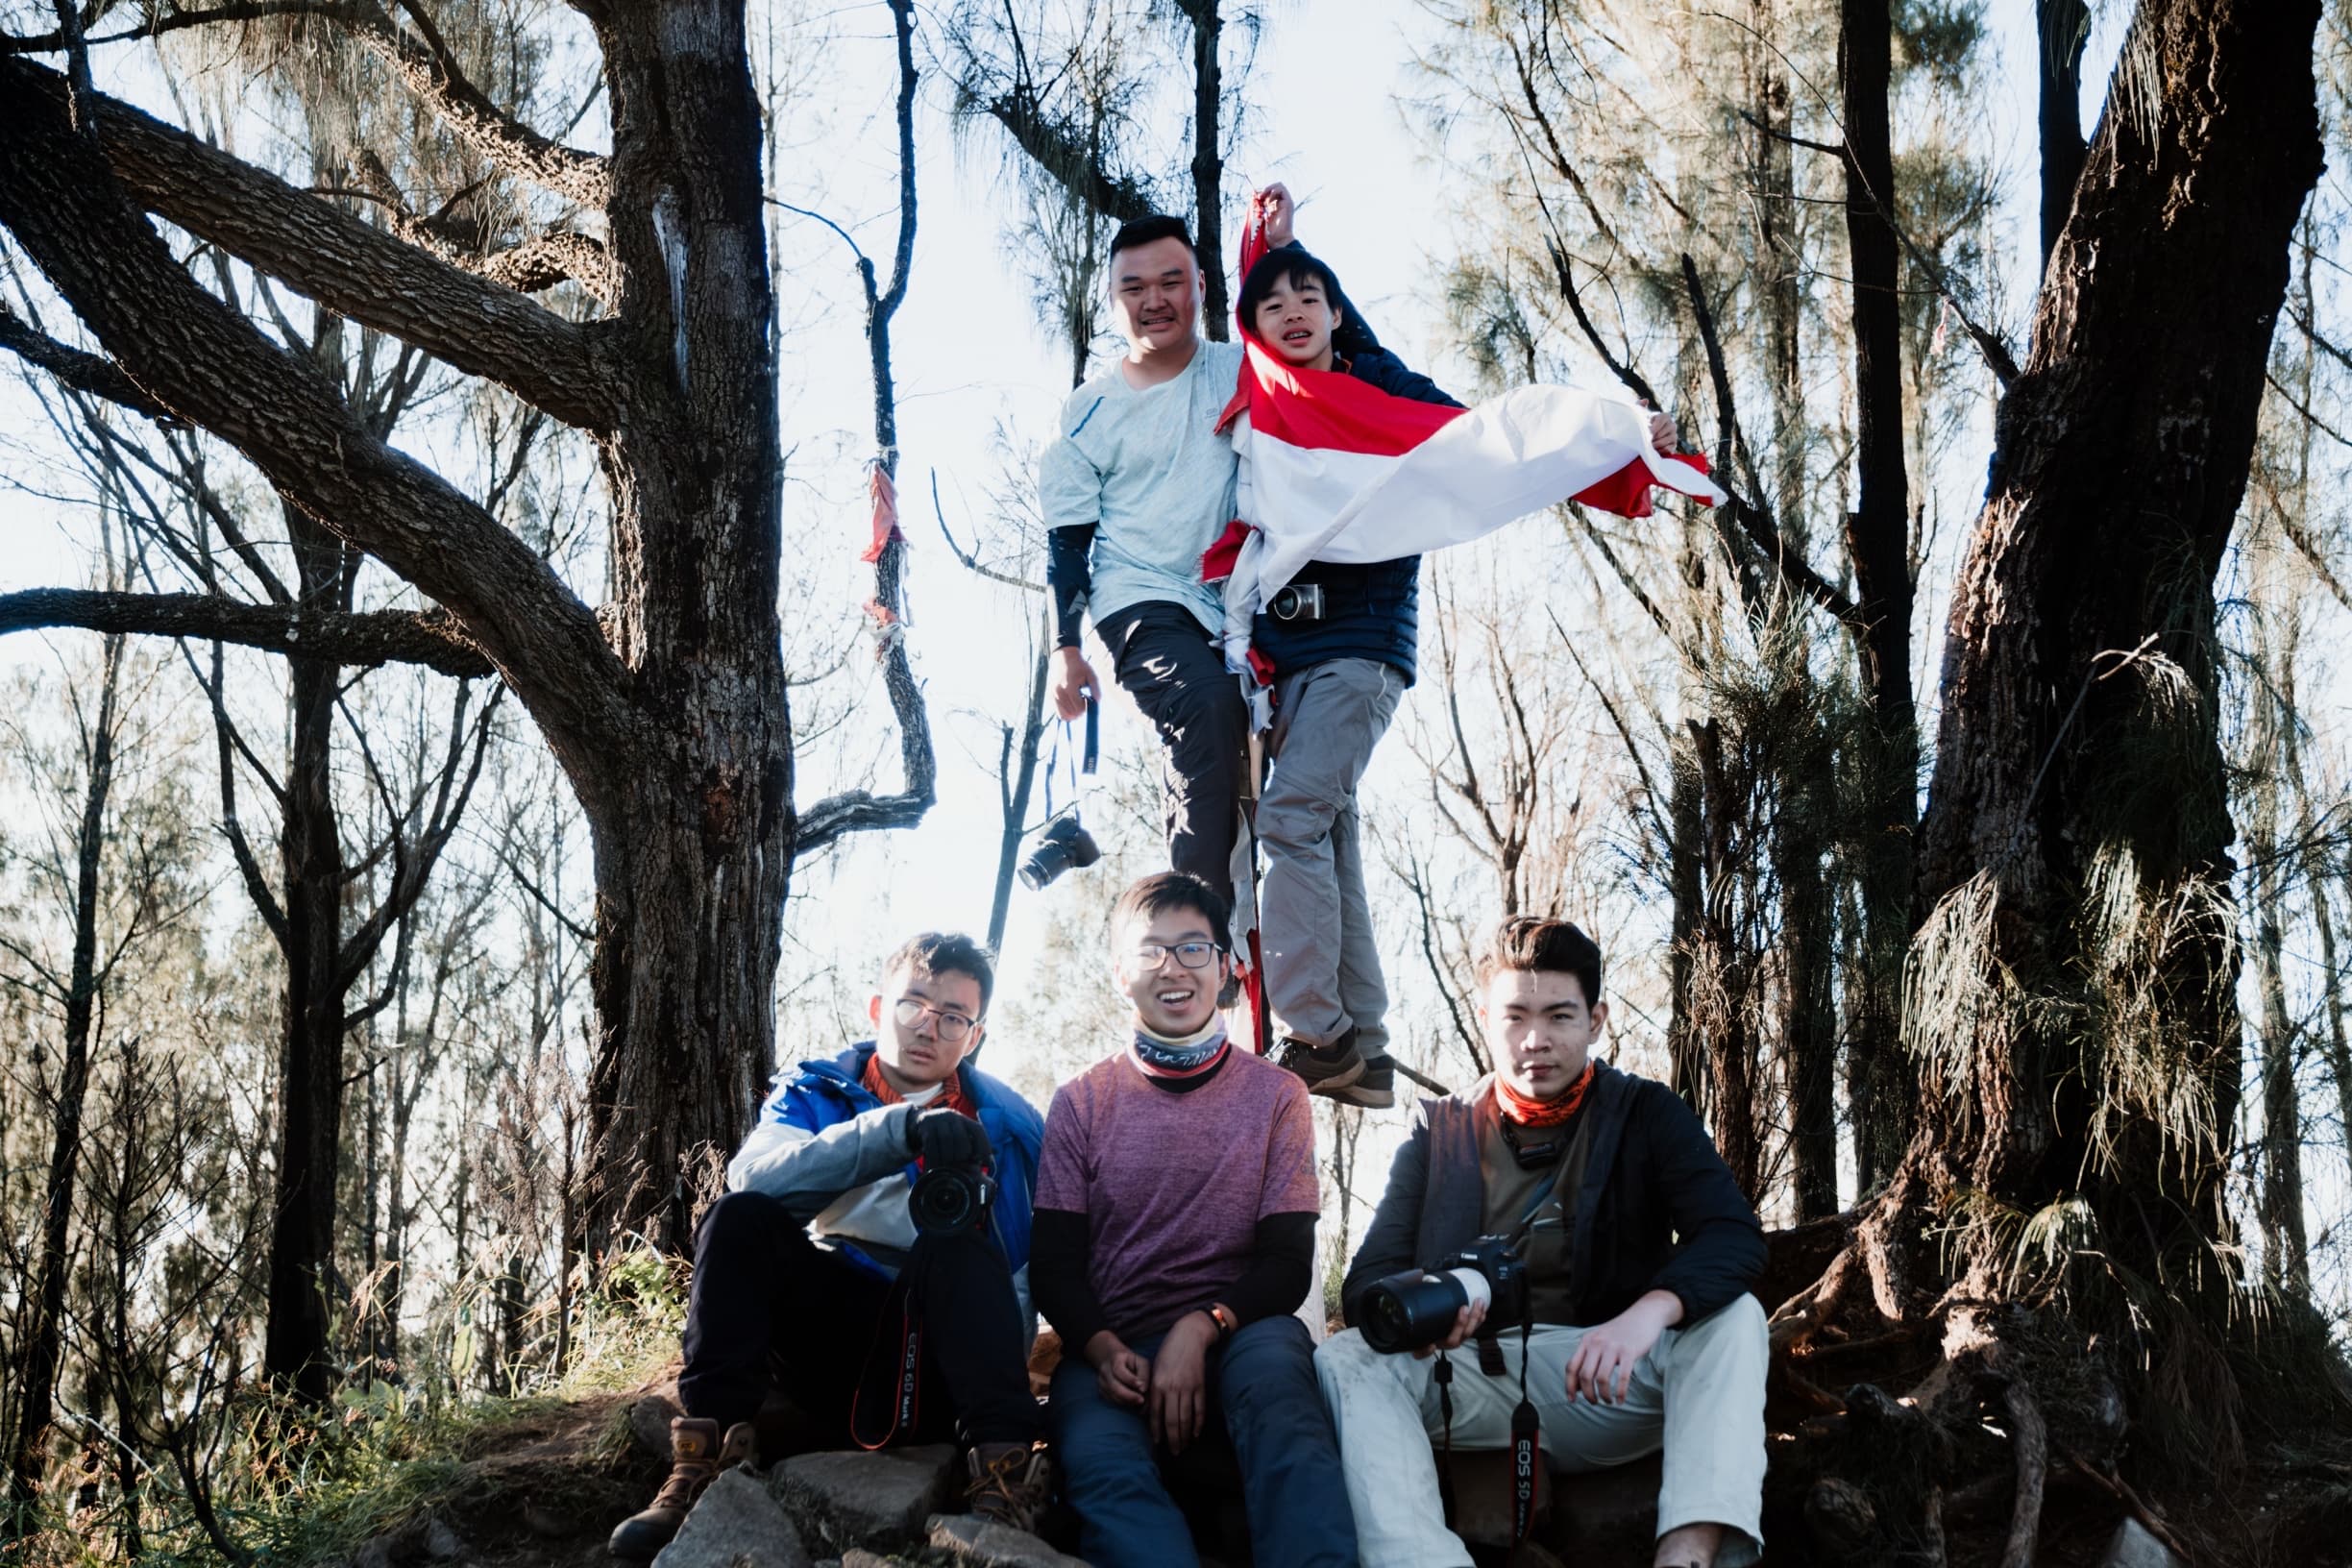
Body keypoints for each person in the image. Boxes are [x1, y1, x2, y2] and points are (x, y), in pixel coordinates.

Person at [1230, 247, 1683, 1111]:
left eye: (1312, 296)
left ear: (1338, 312)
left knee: (1290, 823)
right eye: (1273, 303)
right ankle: (1358, 1043)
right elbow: (1264, 320)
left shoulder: (1383, 396)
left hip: (1358, 655)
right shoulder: (1268, 408)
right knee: (1325, 835)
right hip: (1286, 665)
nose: (1293, 311)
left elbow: (1504, 446)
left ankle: (1315, 1034)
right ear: (1252, 328)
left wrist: (1623, 437)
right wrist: (1269, 244)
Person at [1313, 917, 1769, 1568]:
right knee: (1346, 1359)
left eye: (1559, 1016)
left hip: (1609, 1377)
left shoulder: (1646, 1113)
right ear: (1484, 1019)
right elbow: (1368, 1283)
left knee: (1736, 1318)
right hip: (1472, 1382)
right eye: (1515, 1018)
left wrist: (1649, 1312)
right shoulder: (1437, 1129)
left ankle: (1687, 1554)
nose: (1536, 1041)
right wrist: (1437, 1302)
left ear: (1597, 1019)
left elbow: (1733, 1235)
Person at [609, 934, 1050, 1558]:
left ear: (974, 1036)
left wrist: (1004, 1378)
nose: (930, 1028)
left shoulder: (1011, 1125)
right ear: (877, 1009)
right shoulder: (817, 1092)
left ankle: (1002, 1483)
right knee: (740, 1218)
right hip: (830, 1343)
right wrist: (898, 1131)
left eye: (954, 1017)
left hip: (945, 1365)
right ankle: (703, 1465)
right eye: (913, 1005)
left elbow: (1023, 1275)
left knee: (962, 1247)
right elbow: (752, 1181)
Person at [1041, 186, 1377, 919]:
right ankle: (1199, 930)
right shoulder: (1090, 411)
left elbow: (1336, 346)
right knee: (1207, 706)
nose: (1154, 300)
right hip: (1141, 601)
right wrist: (1065, 648)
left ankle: (1273, 957)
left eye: (1171, 282)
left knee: (1277, 776)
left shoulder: (1239, 369)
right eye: (1134, 287)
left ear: (1199, 287)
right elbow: (1067, 540)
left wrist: (1284, 252)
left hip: (1237, 605)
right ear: (1112, 299)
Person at [1028, 872, 1358, 1568]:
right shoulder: (1081, 1103)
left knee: (1282, 1404)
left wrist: (1201, 1327)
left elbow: (1287, 1264)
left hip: (1242, 1332)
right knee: (1101, 1469)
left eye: (1192, 949)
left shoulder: (1278, 1097)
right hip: (1110, 1348)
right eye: (1151, 952)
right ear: (1122, 974)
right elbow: (1054, 1266)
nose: (1172, 969)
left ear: (1227, 968)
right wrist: (1097, 1346)